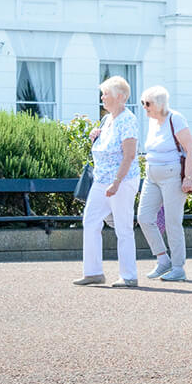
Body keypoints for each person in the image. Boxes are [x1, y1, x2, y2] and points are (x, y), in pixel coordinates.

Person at [75, 76, 141, 288]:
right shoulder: (107, 119)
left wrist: (116, 182)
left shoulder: (128, 119)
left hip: (121, 180)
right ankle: (93, 272)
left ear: (120, 97)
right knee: (91, 221)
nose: (102, 97)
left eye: (106, 93)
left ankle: (129, 275)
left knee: (123, 227)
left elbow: (129, 155)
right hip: (101, 180)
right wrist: (95, 137)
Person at [135, 85, 192, 282]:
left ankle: (178, 268)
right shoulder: (153, 122)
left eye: (148, 103)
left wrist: (188, 178)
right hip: (151, 175)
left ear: (159, 104)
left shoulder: (175, 119)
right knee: (143, 217)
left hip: (172, 175)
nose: (144, 107)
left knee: (172, 222)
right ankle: (163, 259)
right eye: (143, 103)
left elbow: (190, 148)